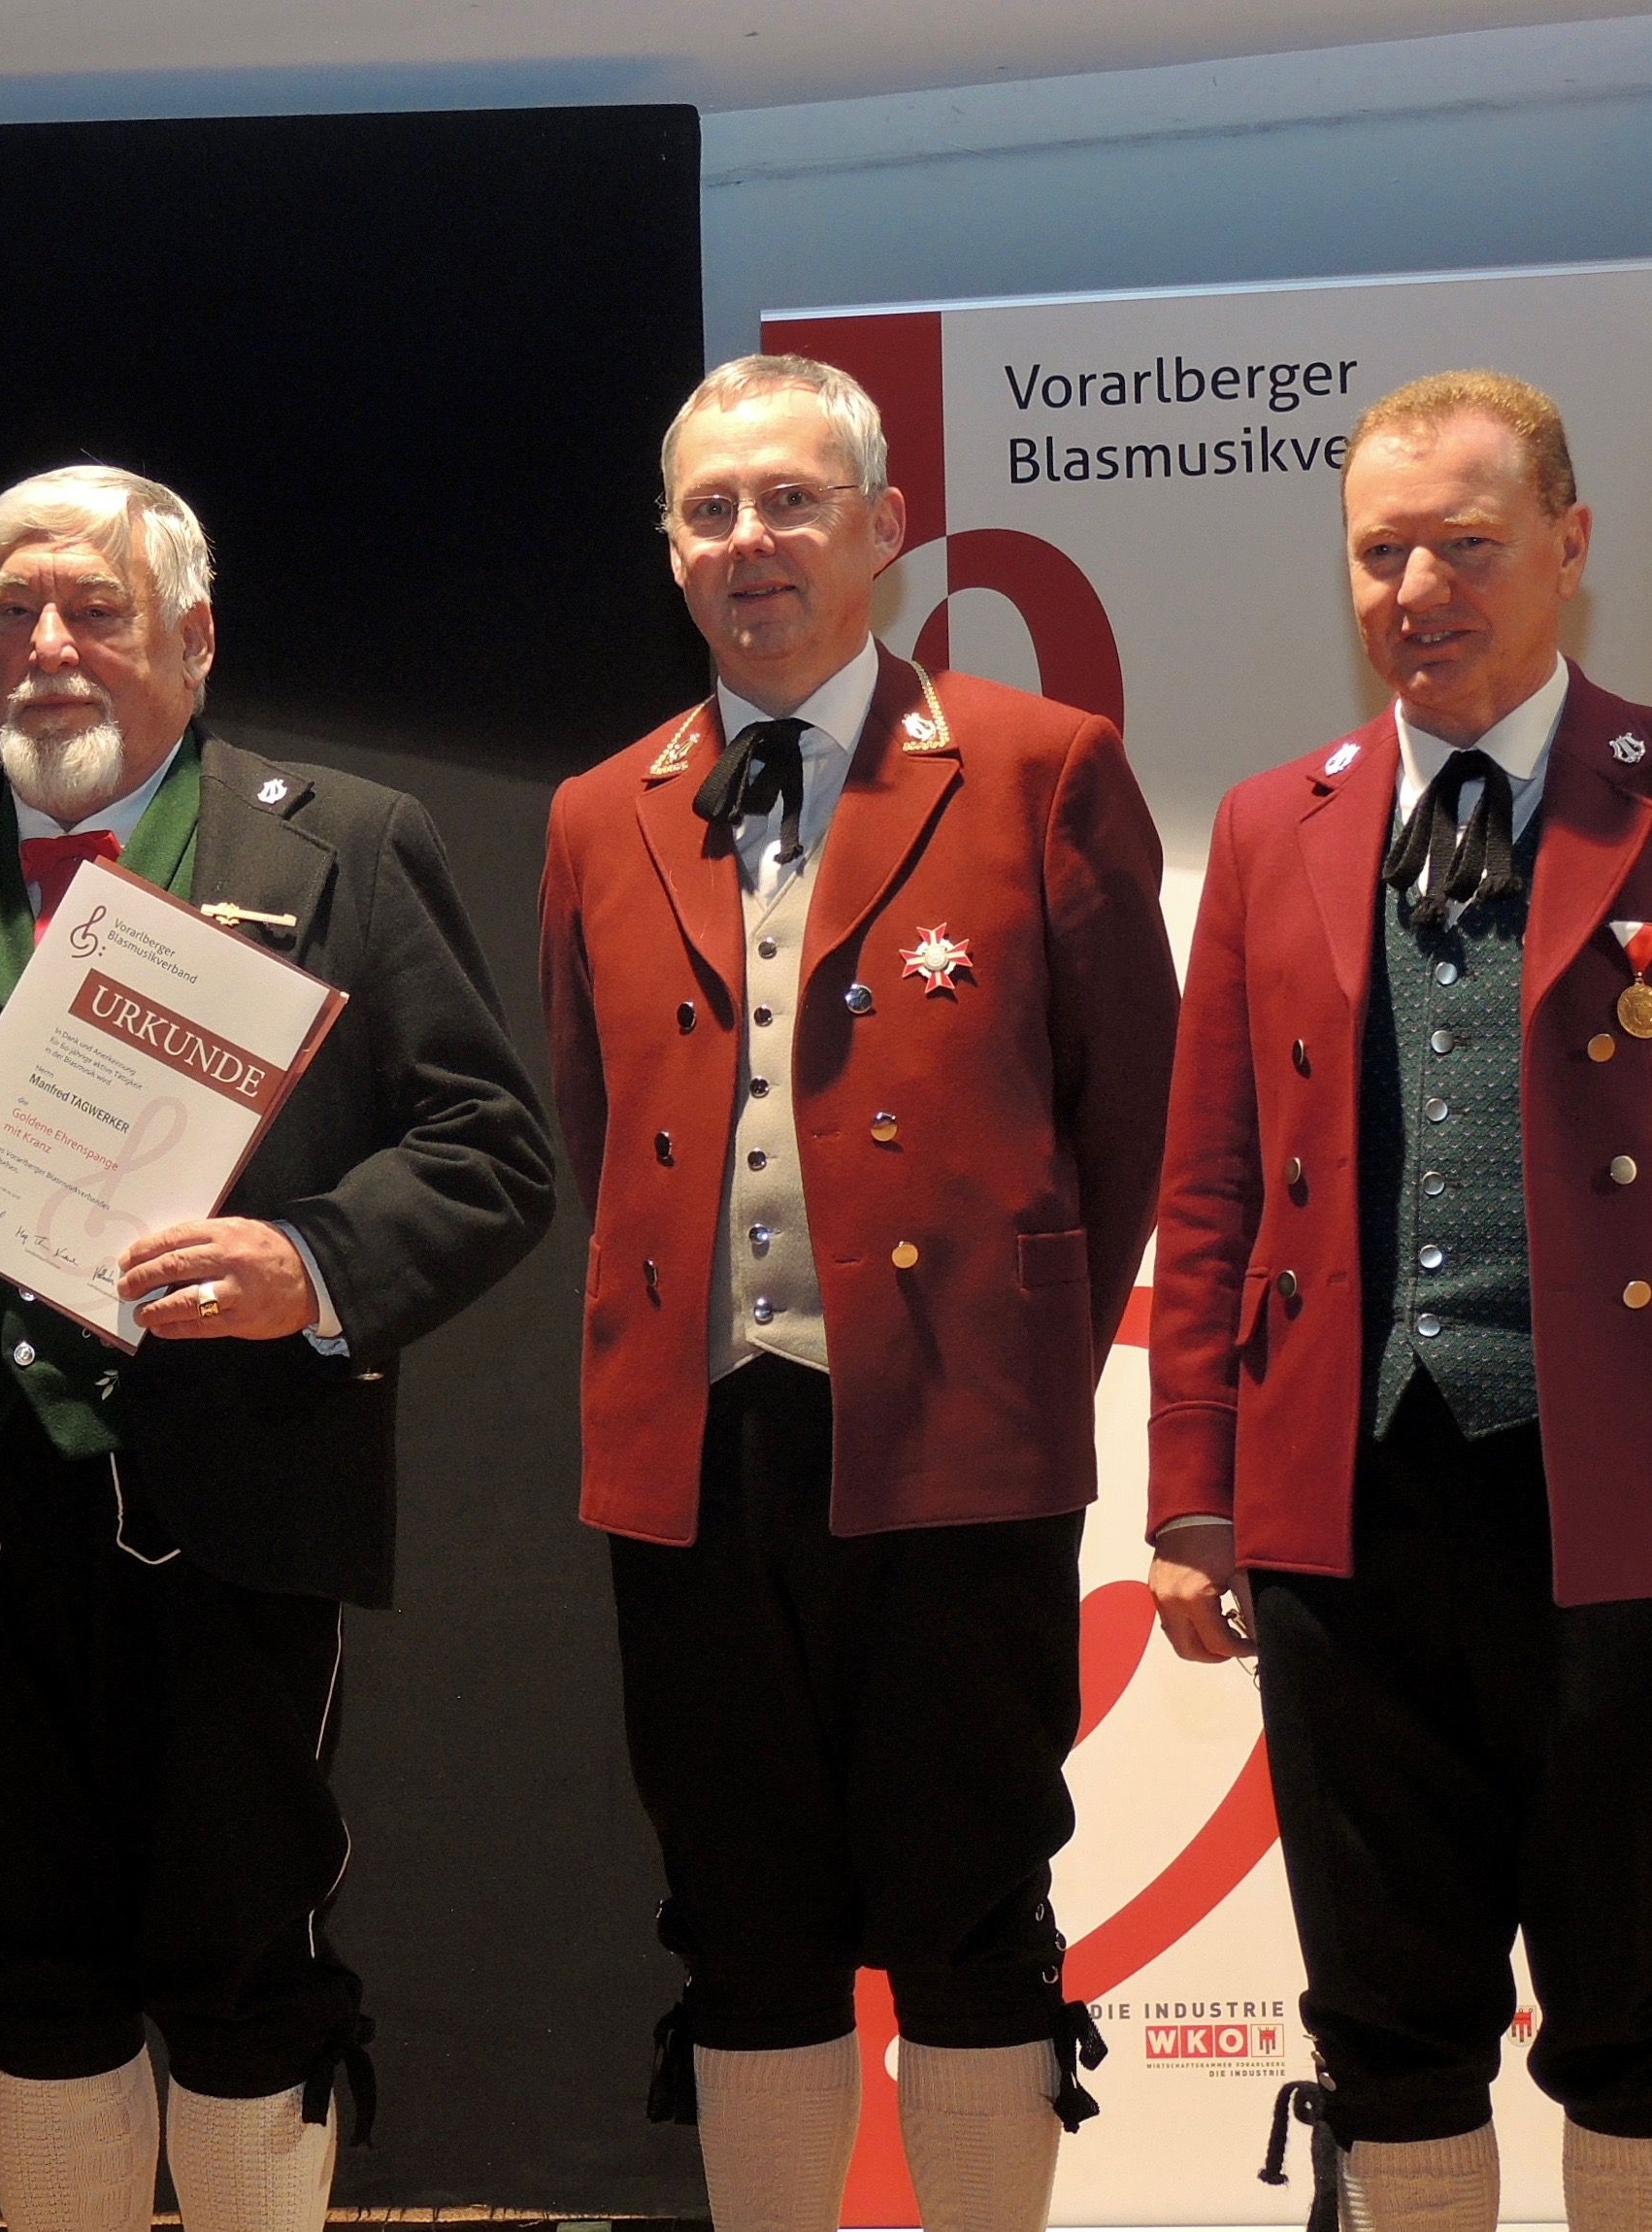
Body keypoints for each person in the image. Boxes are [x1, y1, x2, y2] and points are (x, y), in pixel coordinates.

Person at [0, 465, 552, 2232]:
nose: (48, 647)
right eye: (10, 613)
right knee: (26, 1970)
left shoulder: (341, 841)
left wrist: (305, 1262)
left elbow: (492, 1150)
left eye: (95, 610)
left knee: (241, 1960)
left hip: (225, 1517)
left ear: (194, 637)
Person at [1145, 370, 1652, 2232]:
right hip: (1344, 1500)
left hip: (1625, 1493)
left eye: (1464, 545)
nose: (1417, 591)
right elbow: (1211, 1187)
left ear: (1567, 543)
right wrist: (1190, 1491)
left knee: (1635, 2007)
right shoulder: (1271, 822)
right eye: (1378, 552)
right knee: (1386, 2012)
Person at [537, 354, 1177, 2232]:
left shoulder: (1039, 763)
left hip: (955, 1440)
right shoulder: (596, 808)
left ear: (883, 527)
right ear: (668, 548)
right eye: (711, 509)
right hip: (690, 1447)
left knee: (970, 1904)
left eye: (791, 500)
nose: (752, 541)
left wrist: (1015, 1356)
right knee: (739, 1914)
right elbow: (596, 1118)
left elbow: (1124, 1115)